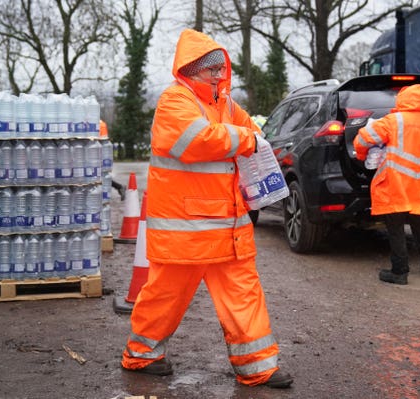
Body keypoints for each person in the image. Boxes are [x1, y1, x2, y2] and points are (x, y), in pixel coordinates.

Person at [120, 29, 293, 389]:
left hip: (227, 225)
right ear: (190, 70)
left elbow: (253, 134)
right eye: (209, 69)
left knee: (244, 294)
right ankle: (142, 354)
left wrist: (254, 140)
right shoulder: (174, 101)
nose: (217, 75)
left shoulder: (227, 104)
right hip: (187, 228)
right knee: (164, 296)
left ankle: (258, 367)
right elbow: (197, 140)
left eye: (220, 69)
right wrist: (246, 139)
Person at [353, 84, 420, 285]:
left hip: (396, 182)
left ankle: (400, 272)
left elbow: (364, 138)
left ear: (403, 99)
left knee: (395, 227)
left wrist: (362, 156)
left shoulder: (394, 121)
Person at [99, 119, 126, 201]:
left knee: (99, 175)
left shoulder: (95, 123)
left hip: (99, 150)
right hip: (102, 150)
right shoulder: (101, 122)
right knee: (101, 175)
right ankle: (119, 187)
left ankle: (120, 187)